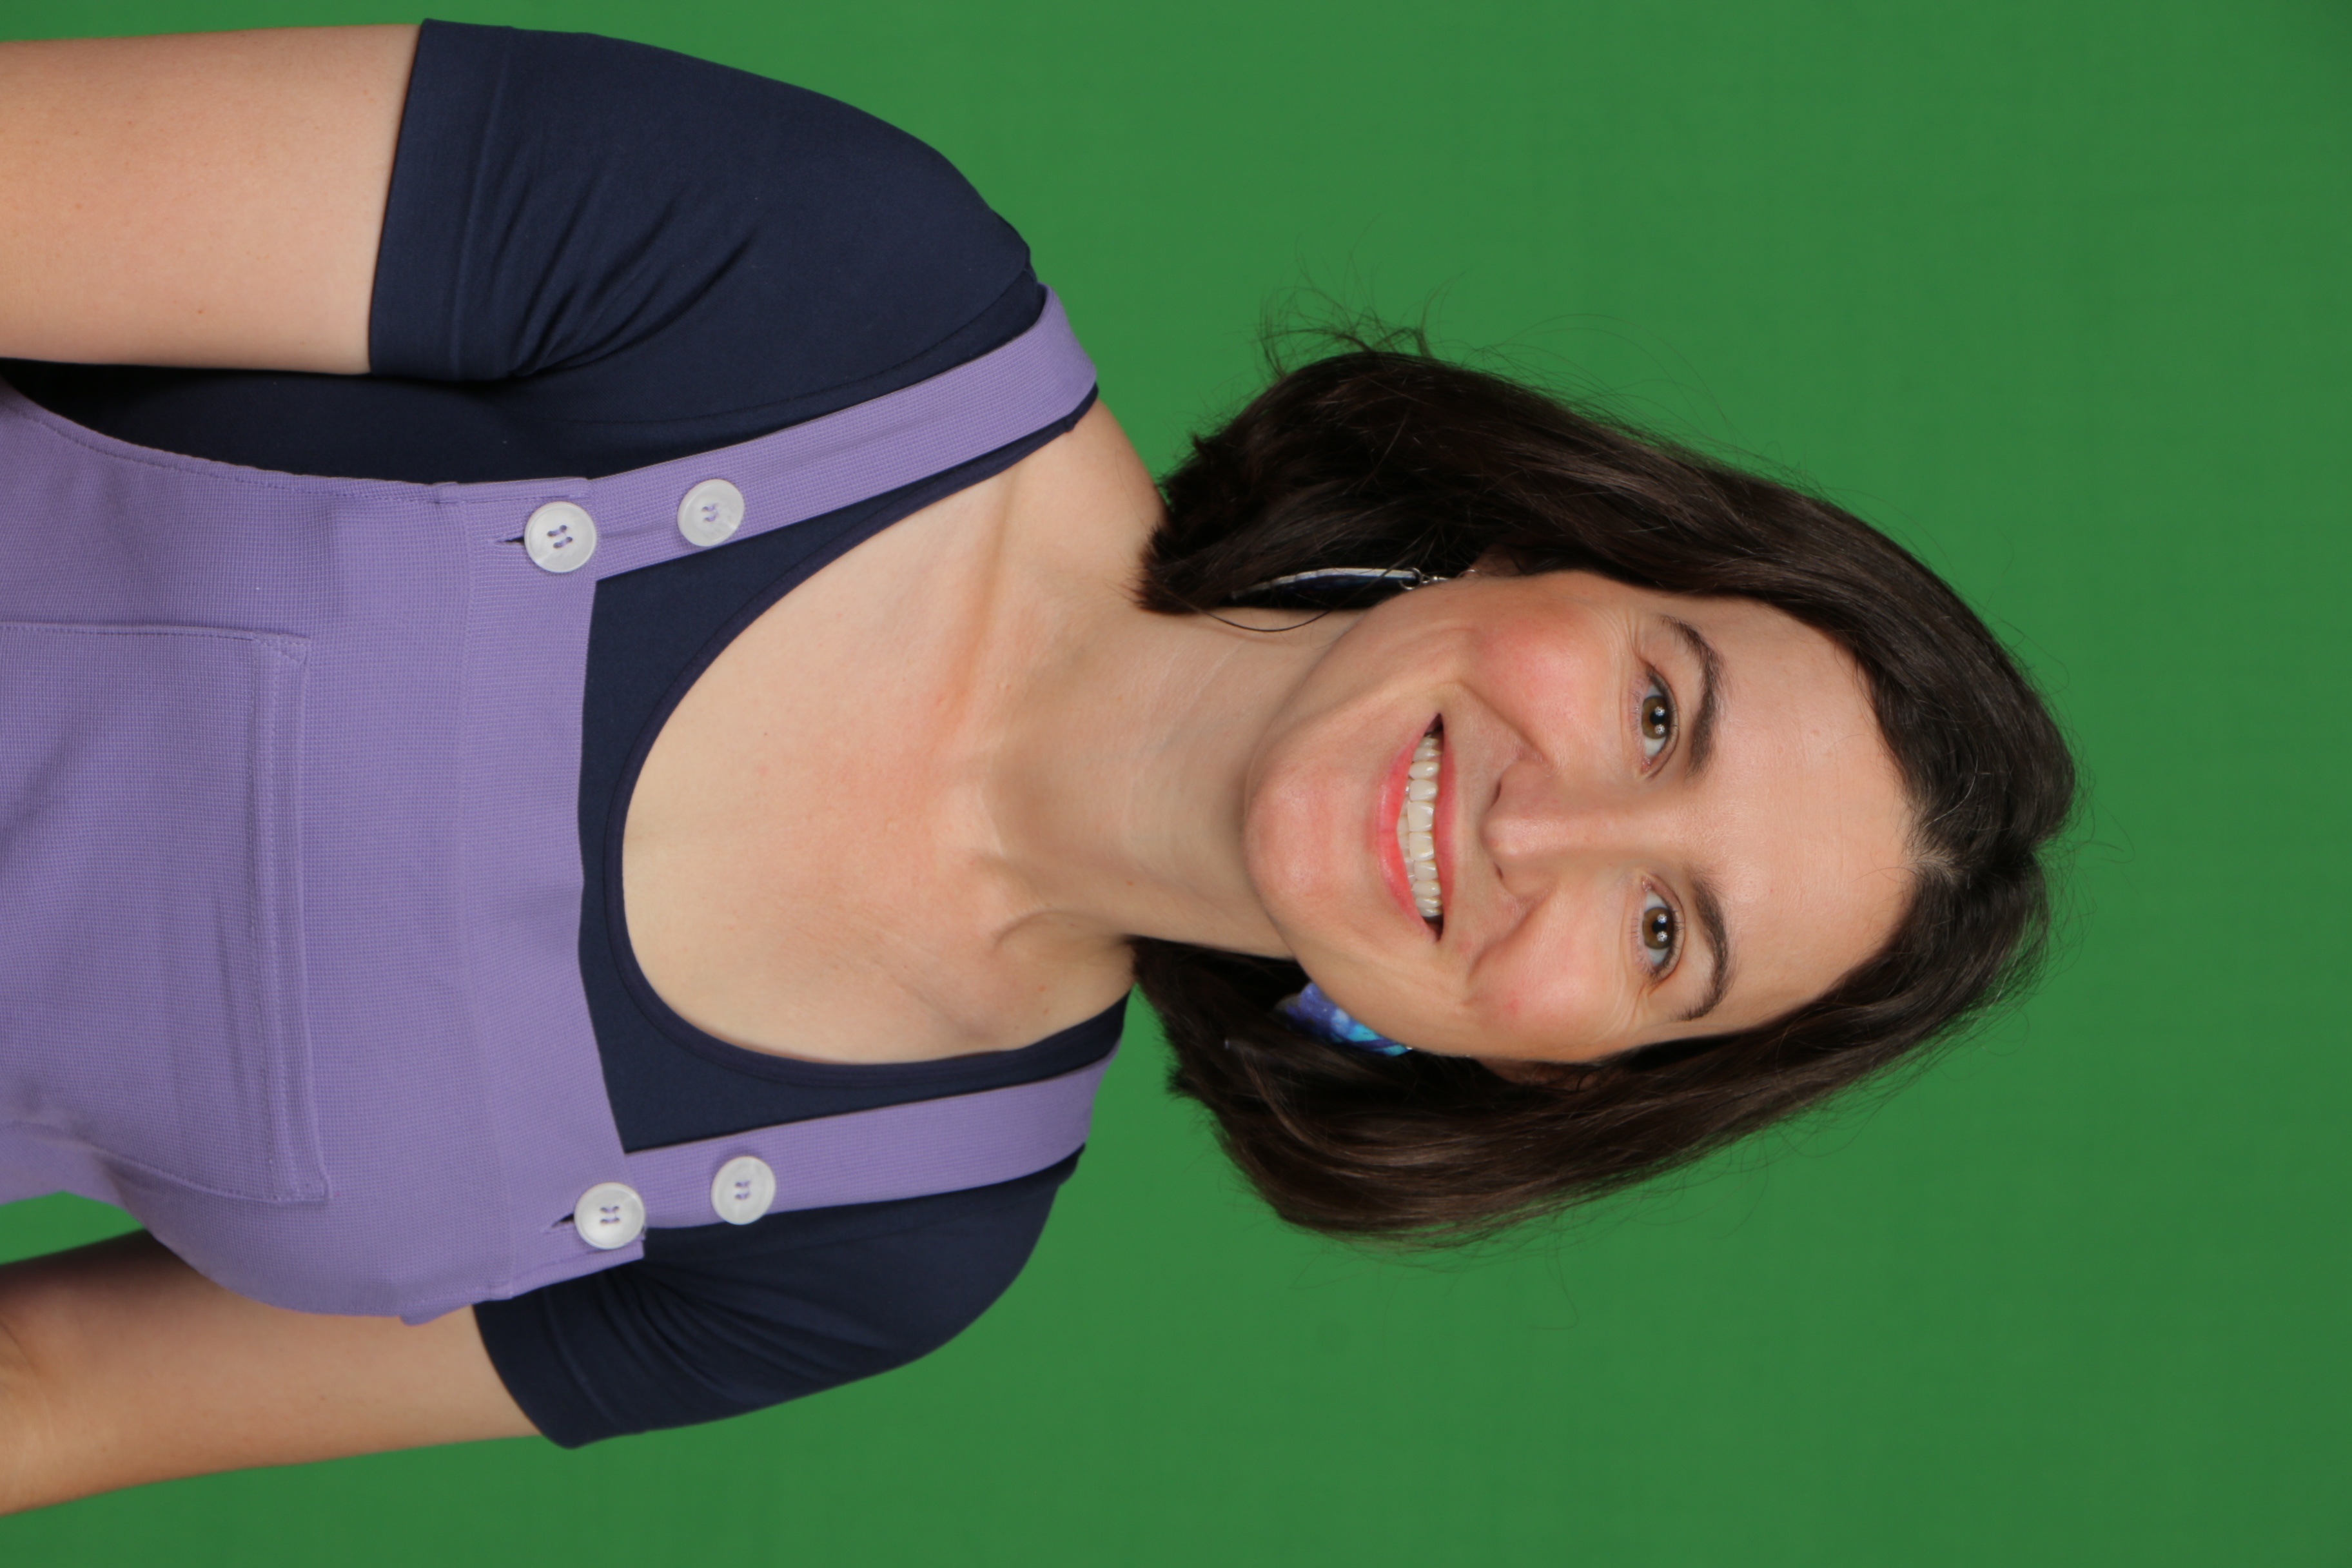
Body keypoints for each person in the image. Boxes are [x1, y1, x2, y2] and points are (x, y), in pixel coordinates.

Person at [0, 21, 2073, 1511]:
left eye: (1664, 933)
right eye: (1659, 712)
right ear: (1546, 551)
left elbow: (50, 1386)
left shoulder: (882, 1243)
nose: (1553, 824)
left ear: (1556, 1071)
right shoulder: (827, 283)